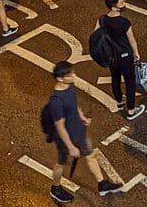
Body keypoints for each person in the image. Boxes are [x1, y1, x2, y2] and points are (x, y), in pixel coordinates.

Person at [46, 60, 123, 204]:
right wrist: (70, 147)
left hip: (79, 132)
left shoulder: (70, 86)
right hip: (66, 139)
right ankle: (55, 188)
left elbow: (74, 105)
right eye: (70, 74)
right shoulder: (56, 101)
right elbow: (60, 126)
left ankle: (102, 184)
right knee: (60, 164)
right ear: (60, 78)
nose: (73, 75)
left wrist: (82, 118)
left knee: (90, 155)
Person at [99, 0, 145, 120]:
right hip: (125, 55)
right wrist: (136, 52)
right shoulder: (124, 22)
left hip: (112, 56)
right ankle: (131, 110)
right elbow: (132, 40)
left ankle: (120, 101)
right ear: (114, 7)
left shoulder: (102, 19)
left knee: (115, 78)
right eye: (121, 2)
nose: (124, 2)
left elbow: (95, 35)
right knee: (130, 83)